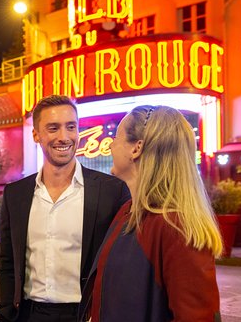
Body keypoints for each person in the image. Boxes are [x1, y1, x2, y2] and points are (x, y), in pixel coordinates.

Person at [80, 105, 222, 321]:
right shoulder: (127, 212)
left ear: (136, 148)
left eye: (117, 137)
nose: (110, 146)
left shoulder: (176, 226)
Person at [0, 95, 130, 322]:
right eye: (53, 128)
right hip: (29, 314)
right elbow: (7, 260)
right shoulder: (15, 194)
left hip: (84, 314)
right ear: (36, 134)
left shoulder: (112, 191)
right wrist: (7, 308)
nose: (64, 137)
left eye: (71, 127)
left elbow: (123, 264)